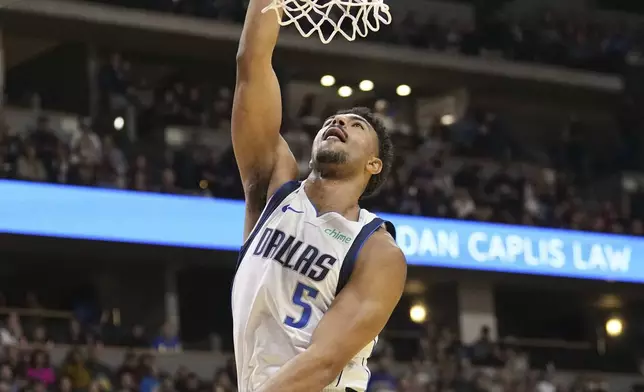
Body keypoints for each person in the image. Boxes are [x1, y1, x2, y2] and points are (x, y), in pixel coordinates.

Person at [230, 0, 407, 391]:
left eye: (356, 124)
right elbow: (251, 64)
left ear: (374, 164)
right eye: (333, 119)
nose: (339, 121)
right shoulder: (271, 189)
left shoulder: (378, 252)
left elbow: (323, 362)